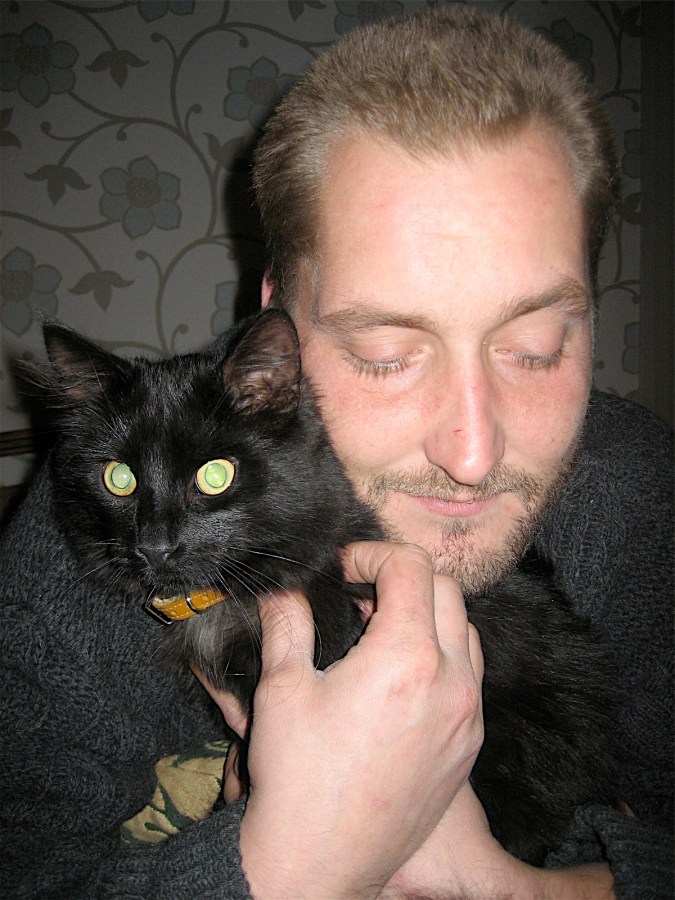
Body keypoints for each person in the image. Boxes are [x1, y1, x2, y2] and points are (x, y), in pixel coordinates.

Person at [0, 6, 672, 899]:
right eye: (384, 355)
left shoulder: (639, 495)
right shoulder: (77, 552)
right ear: (276, 333)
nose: (472, 455)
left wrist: (514, 887)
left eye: (535, 347)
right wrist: (288, 868)